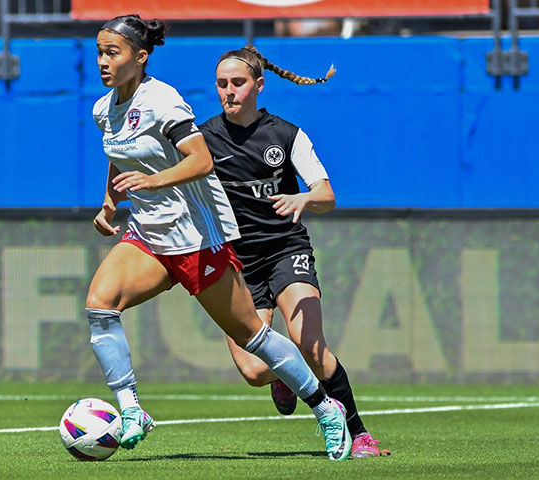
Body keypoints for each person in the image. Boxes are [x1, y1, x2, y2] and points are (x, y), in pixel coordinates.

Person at [87, 15, 351, 460]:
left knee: (253, 339)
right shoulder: (104, 108)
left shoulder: (162, 101)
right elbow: (119, 156)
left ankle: (326, 409)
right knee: (99, 306)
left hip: (195, 237)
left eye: (112, 52)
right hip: (148, 237)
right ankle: (132, 410)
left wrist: (152, 183)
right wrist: (109, 204)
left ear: (140, 56)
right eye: (99, 52)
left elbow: (201, 160)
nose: (102, 61)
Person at [198, 45, 389, 458]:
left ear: (259, 85)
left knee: (310, 343)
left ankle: (358, 433)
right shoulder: (204, 138)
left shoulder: (286, 135)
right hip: (238, 263)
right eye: (221, 84)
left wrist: (304, 200)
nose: (229, 91)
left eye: (238, 82)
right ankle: (283, 375)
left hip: (286, 249)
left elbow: (327, 194)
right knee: (253, 371)